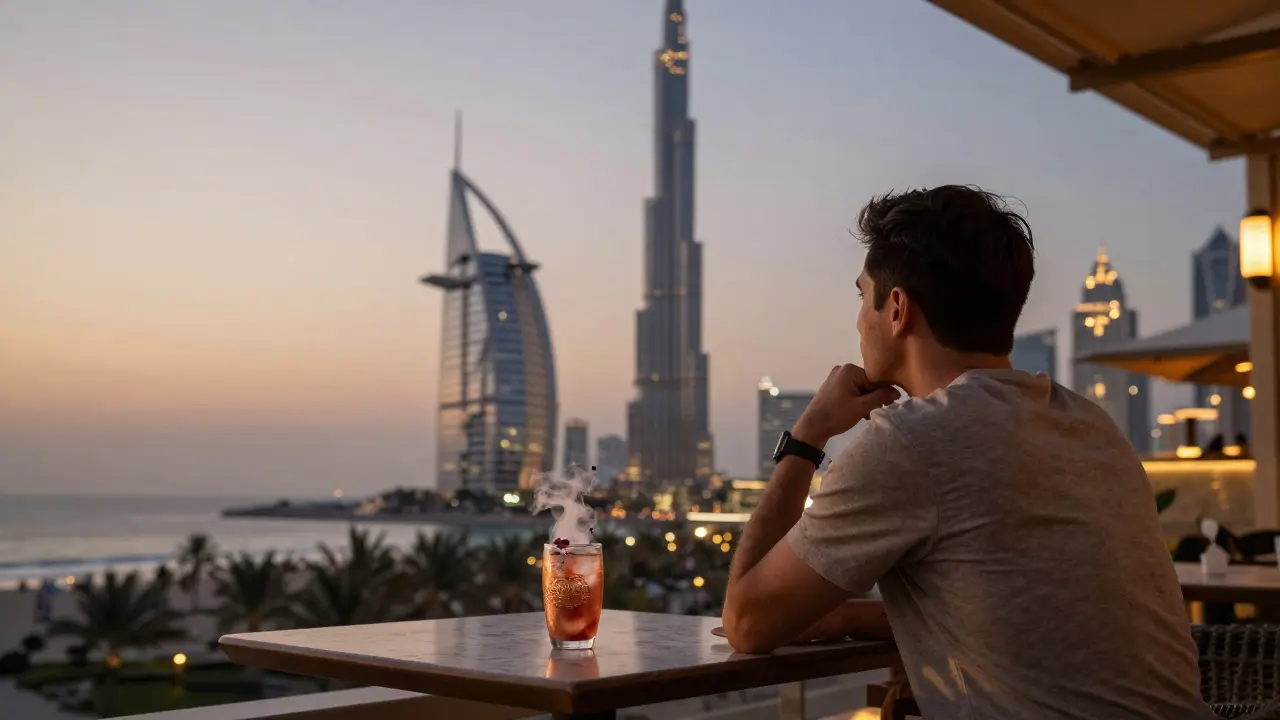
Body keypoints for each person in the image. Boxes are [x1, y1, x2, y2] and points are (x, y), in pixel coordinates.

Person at [721, 186, 1210, 719]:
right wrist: (844, 618)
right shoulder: (1088, 424)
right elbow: (1020, 609)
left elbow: (747, 622)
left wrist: (807, 436)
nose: (860, 320)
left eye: (864, 297)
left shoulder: (912, 442)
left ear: (898, 309)